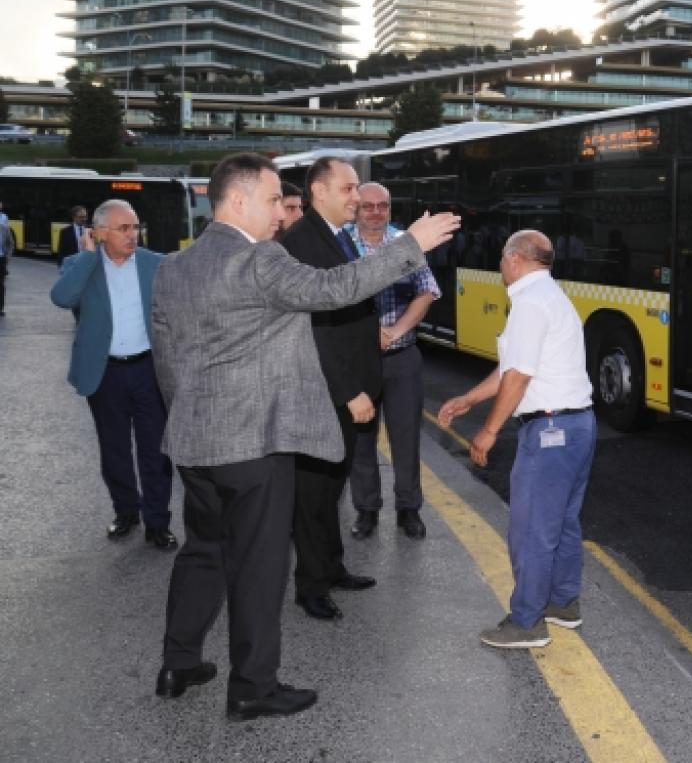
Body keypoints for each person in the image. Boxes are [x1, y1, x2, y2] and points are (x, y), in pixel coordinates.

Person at [149, 152, 458, 722]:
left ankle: (178, 663)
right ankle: (252, 688)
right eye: (272, 200)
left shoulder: (174, 267)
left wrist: (189, 418)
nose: (280, 212)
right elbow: (336, 288)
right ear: (237, 201)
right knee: (260, 568)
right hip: (255, 446)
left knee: (202, 553)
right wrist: (408, 244)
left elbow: (167, 363)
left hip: (195, 442)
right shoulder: (260, 260)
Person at [438, 229, 596, 649]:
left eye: (501, 258)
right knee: (562, 522)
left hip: (549, 433)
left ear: (514, 259)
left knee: (531, 531)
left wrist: (488, 431)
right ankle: (563, 604)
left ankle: (526, 622)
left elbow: (519, 377)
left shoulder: (529, 304)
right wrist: (468, 399)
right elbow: (514, 367)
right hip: (577, 426)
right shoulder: (550, 297)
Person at [280, 158, 381, 621]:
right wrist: (348, 391)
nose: (356, 197)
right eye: (349, 188)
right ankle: (311, 585)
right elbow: (316, 329)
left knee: (332, 487)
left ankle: (332, 568)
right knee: (314, 495)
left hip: (345, 387)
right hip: (324, 393)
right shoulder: (302, 242)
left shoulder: (334, 237)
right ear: (319, 191)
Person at [49, 199, 174, 548]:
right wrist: (88, 257)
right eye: (123, 228)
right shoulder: (81, 265)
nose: (133, 235)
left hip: (149, 369)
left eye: (135, 227)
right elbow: (61, 298)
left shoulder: (156, 264)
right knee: (114, 448)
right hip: (105, 373)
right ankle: (126, 512)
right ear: (99, 232)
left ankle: (157, 521)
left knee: (156, 450)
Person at [347, 182, 440, 541]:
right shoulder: (341, 245)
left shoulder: (406, 243)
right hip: (359, 360)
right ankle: (366, 510)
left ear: (389, 208)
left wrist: (395, 331)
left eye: (381, 206)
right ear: (357, 209)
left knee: (407, 438)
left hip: (402, 357)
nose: (375, 212)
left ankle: (408, 509)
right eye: (367, 206)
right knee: (361, 438)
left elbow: (427, 291)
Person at [0, 216, 13, 316]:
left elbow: (10, 244)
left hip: (1, 259)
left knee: (0, 285)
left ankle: (0, 308)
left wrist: (7, 257)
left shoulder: (4, 229)